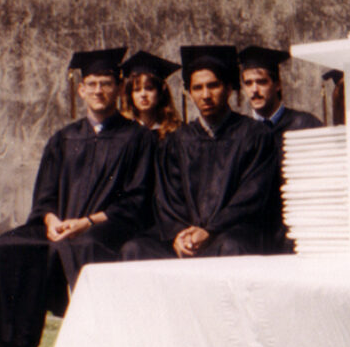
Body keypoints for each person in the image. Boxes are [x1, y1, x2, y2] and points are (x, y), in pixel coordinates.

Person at [0, 47, 156, 347]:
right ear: (81, 90)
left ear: (117, 89)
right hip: (61, 229)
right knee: (8, 247)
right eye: (92, 84)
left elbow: (138, 199)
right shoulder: (63, 138)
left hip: (106, 229)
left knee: (84, 246)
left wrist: (87, 222)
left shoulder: (138, 139)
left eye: (106, 83)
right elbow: (44, 195)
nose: (99, 91)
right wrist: (51, 220)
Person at [120, 45, 285, 260]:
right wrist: (180, 234)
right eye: (197, 88)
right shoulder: (177, 140)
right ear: (189, 92)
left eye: (213, 86)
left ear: (228, 88)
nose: (205, 95)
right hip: (189, 235)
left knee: (231, 246)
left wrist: (211, 230)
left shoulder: (255, 135)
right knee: (135, 249)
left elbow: (252, 196)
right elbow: (168, 198)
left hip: (234, 231)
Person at [238, 45, 324, 135]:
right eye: (248, 83)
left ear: (278, 84)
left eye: (261, 82)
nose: (254, 90)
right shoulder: (241, 132)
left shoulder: (305, 124)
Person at [119, 50, 183, 140]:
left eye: (149, 88)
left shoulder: (174, 131)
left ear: (160, 93)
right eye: (137, 90)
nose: (143, 94)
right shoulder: (122, 131)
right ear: (130, 95)